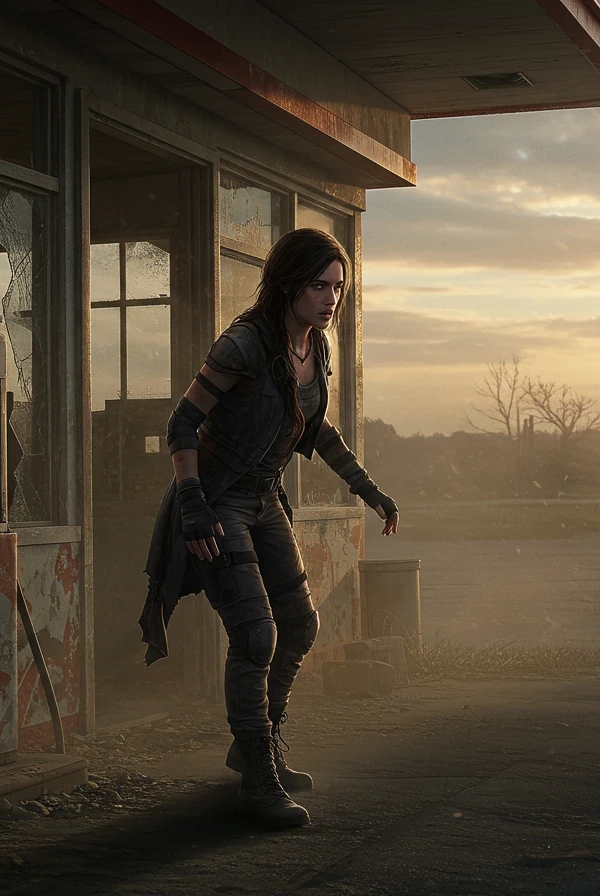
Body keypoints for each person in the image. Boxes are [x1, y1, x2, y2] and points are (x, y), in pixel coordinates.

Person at [139, 227, 400, 828]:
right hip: (216, 503)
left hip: (263, 501)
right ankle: (257, 780)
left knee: (301, 625)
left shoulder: (316, 348)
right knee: (256, 636)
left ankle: (256, 745)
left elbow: (314, 431)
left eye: (338, 287)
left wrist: (369, 492)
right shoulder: (244, 344)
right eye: (318, 285)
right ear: (288, 283)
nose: (331, 297)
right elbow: (182, 424)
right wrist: (194, 503)